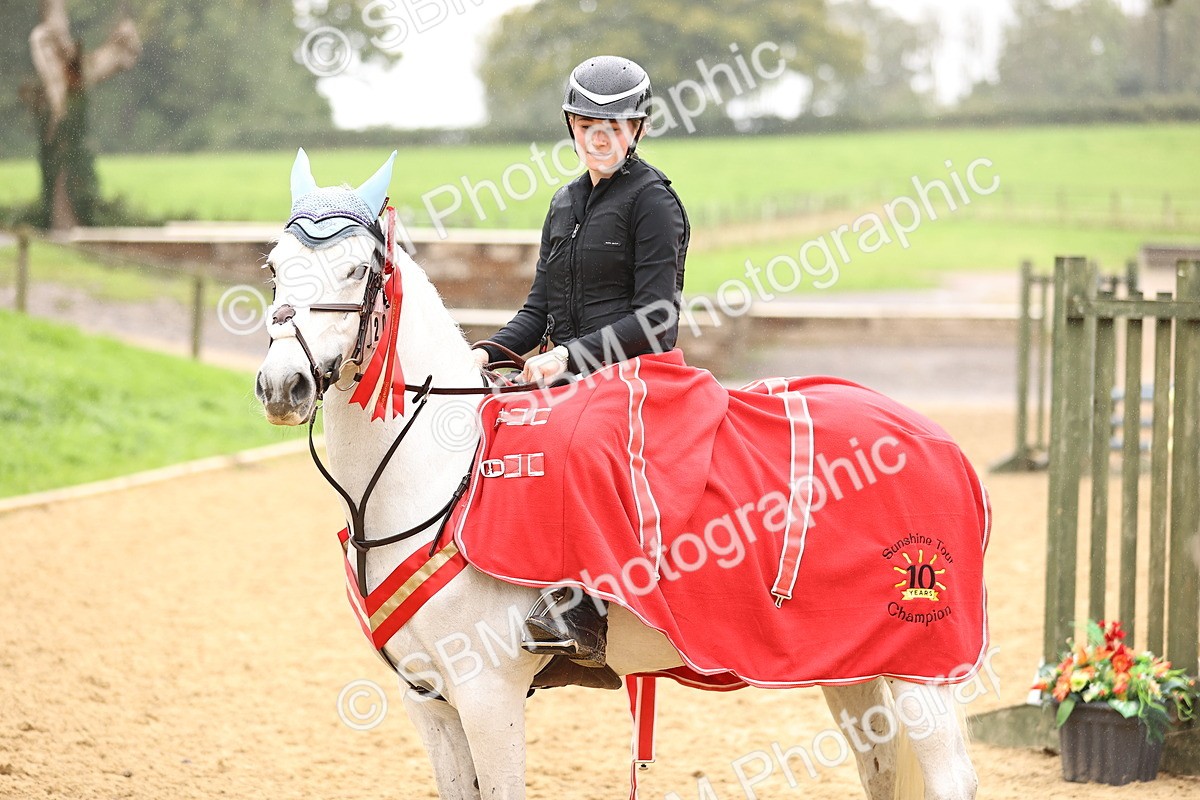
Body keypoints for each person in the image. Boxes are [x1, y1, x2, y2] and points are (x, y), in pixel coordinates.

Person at [471, 56, 690, 670]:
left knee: (575, 441)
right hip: (566, 374)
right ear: (571, 125)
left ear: (637, 128)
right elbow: (536, 310)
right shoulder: (563, 203)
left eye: (614, 125)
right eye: (589, 124)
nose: (600, 137)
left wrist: (572, 355)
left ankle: (583, 611)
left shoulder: (654, 202)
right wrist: (482, 353)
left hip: (636, 374)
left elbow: (658, 320)